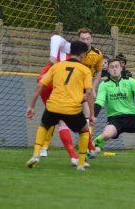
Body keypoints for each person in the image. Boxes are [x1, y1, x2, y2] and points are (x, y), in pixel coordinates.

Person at [25, 41, 95, 171]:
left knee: (43, 126)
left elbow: (40, 85)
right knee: (84, 131)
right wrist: (91, 114)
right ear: (82, 55)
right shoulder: (85, 70)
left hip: (53, 107)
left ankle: (36, 155)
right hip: (72, 109)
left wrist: (31, 106)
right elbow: (89, 93)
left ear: (70, 52)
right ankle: (80, 163)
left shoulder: (57, 66)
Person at [40, 28, 102, 165]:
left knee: (88, 119)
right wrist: (52, 58)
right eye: (82, 39)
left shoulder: (97, 54)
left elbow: (99, 71)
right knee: (63, 120)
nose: (85, 41)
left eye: (88, 38)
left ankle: (86, 150)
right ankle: (81, 152)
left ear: (92, 39)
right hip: (70, 92)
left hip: (84, 91)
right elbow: (56, 38)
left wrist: (93, 87)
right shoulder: (72, 52)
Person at [90, 58, 135, 156]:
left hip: (132, 117)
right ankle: (90, 150)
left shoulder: (130, 81)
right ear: (108, 70)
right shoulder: (104, 84)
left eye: (116, 66)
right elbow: (99, 101)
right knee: (106, 134)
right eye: (112, 67)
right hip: (115, 119)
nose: (114, 69)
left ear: (121, 68)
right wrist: (93, 116)